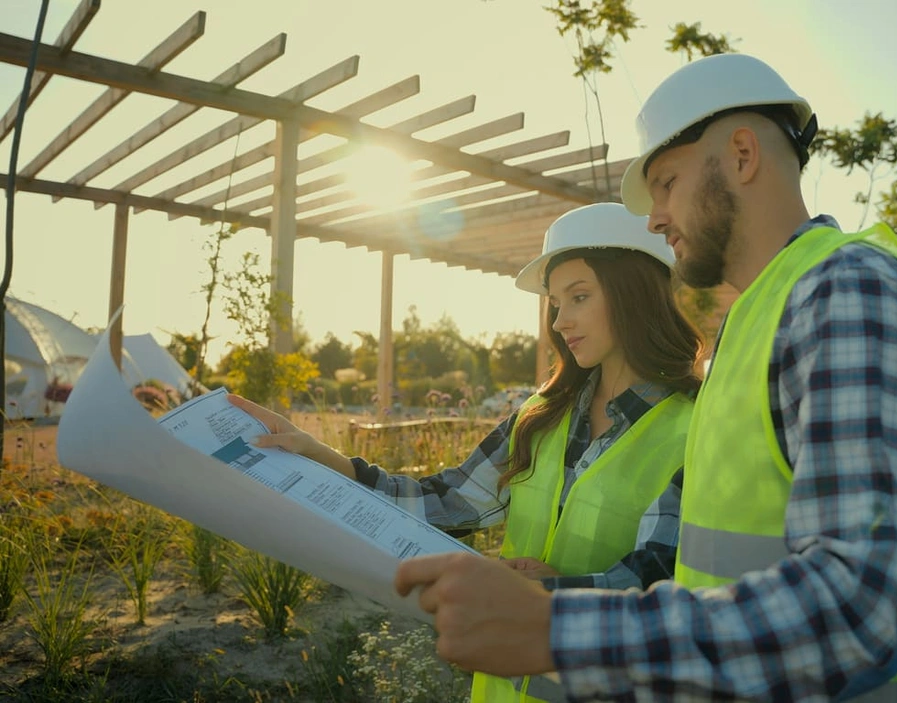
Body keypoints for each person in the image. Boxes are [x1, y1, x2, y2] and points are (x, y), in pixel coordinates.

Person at [393, 52, 897, 702]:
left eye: (668, 182)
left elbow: (854, 608)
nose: (653, 218)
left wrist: (553, 628)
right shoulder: (761, 322)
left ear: (741, 154)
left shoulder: (851, 296)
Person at [231, 202, 704, 702]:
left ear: (635, 295)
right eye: (555, 303)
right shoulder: (541, 415)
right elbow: (448, 501)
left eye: (579, 297)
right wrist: (323, 457)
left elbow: (663, 578)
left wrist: (550, 594)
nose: (561, 321)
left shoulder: (695, 427)